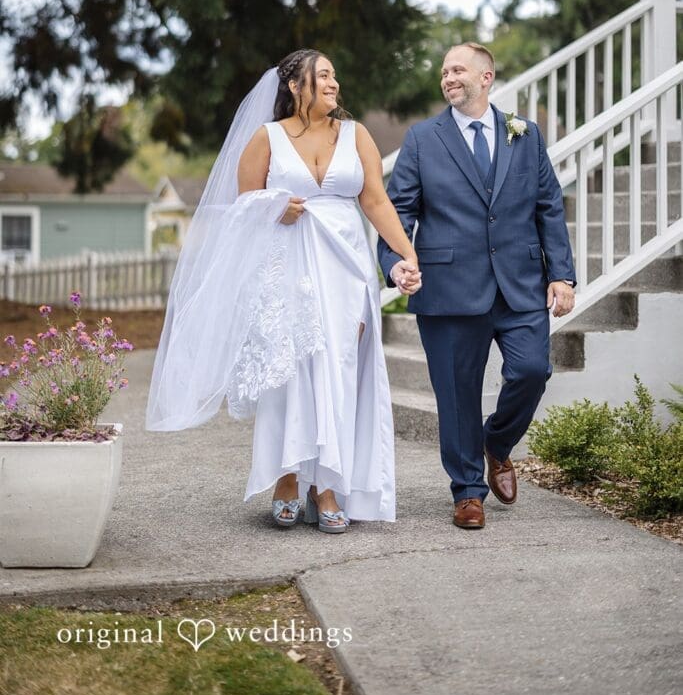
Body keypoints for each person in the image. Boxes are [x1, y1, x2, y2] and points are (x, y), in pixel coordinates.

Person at [146, 48, 421, 534]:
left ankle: (330, 485)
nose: (335, 84)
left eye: (336, 76)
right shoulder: (266, 137)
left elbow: (375, 199)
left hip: (345, 265)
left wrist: (405, 254)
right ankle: (287, 477)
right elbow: (240, 208)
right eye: (324, 76)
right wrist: (276, 205)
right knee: (290, 371)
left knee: (338, 369)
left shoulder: (356, 135)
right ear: (295, 86)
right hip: (285, 266)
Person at [378, 42, 576, 530]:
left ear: (486, 77)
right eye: (444, 71)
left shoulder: (525, 135)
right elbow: (397, 210)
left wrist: (561, 273)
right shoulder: (423, 138)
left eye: (458, 70)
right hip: (448, 288)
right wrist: (394, 263)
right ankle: (467, 491)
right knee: (457, 395)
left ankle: (497, 445)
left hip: (520, 285)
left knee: (532, 370)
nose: (448, 78)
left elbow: (548, 204)